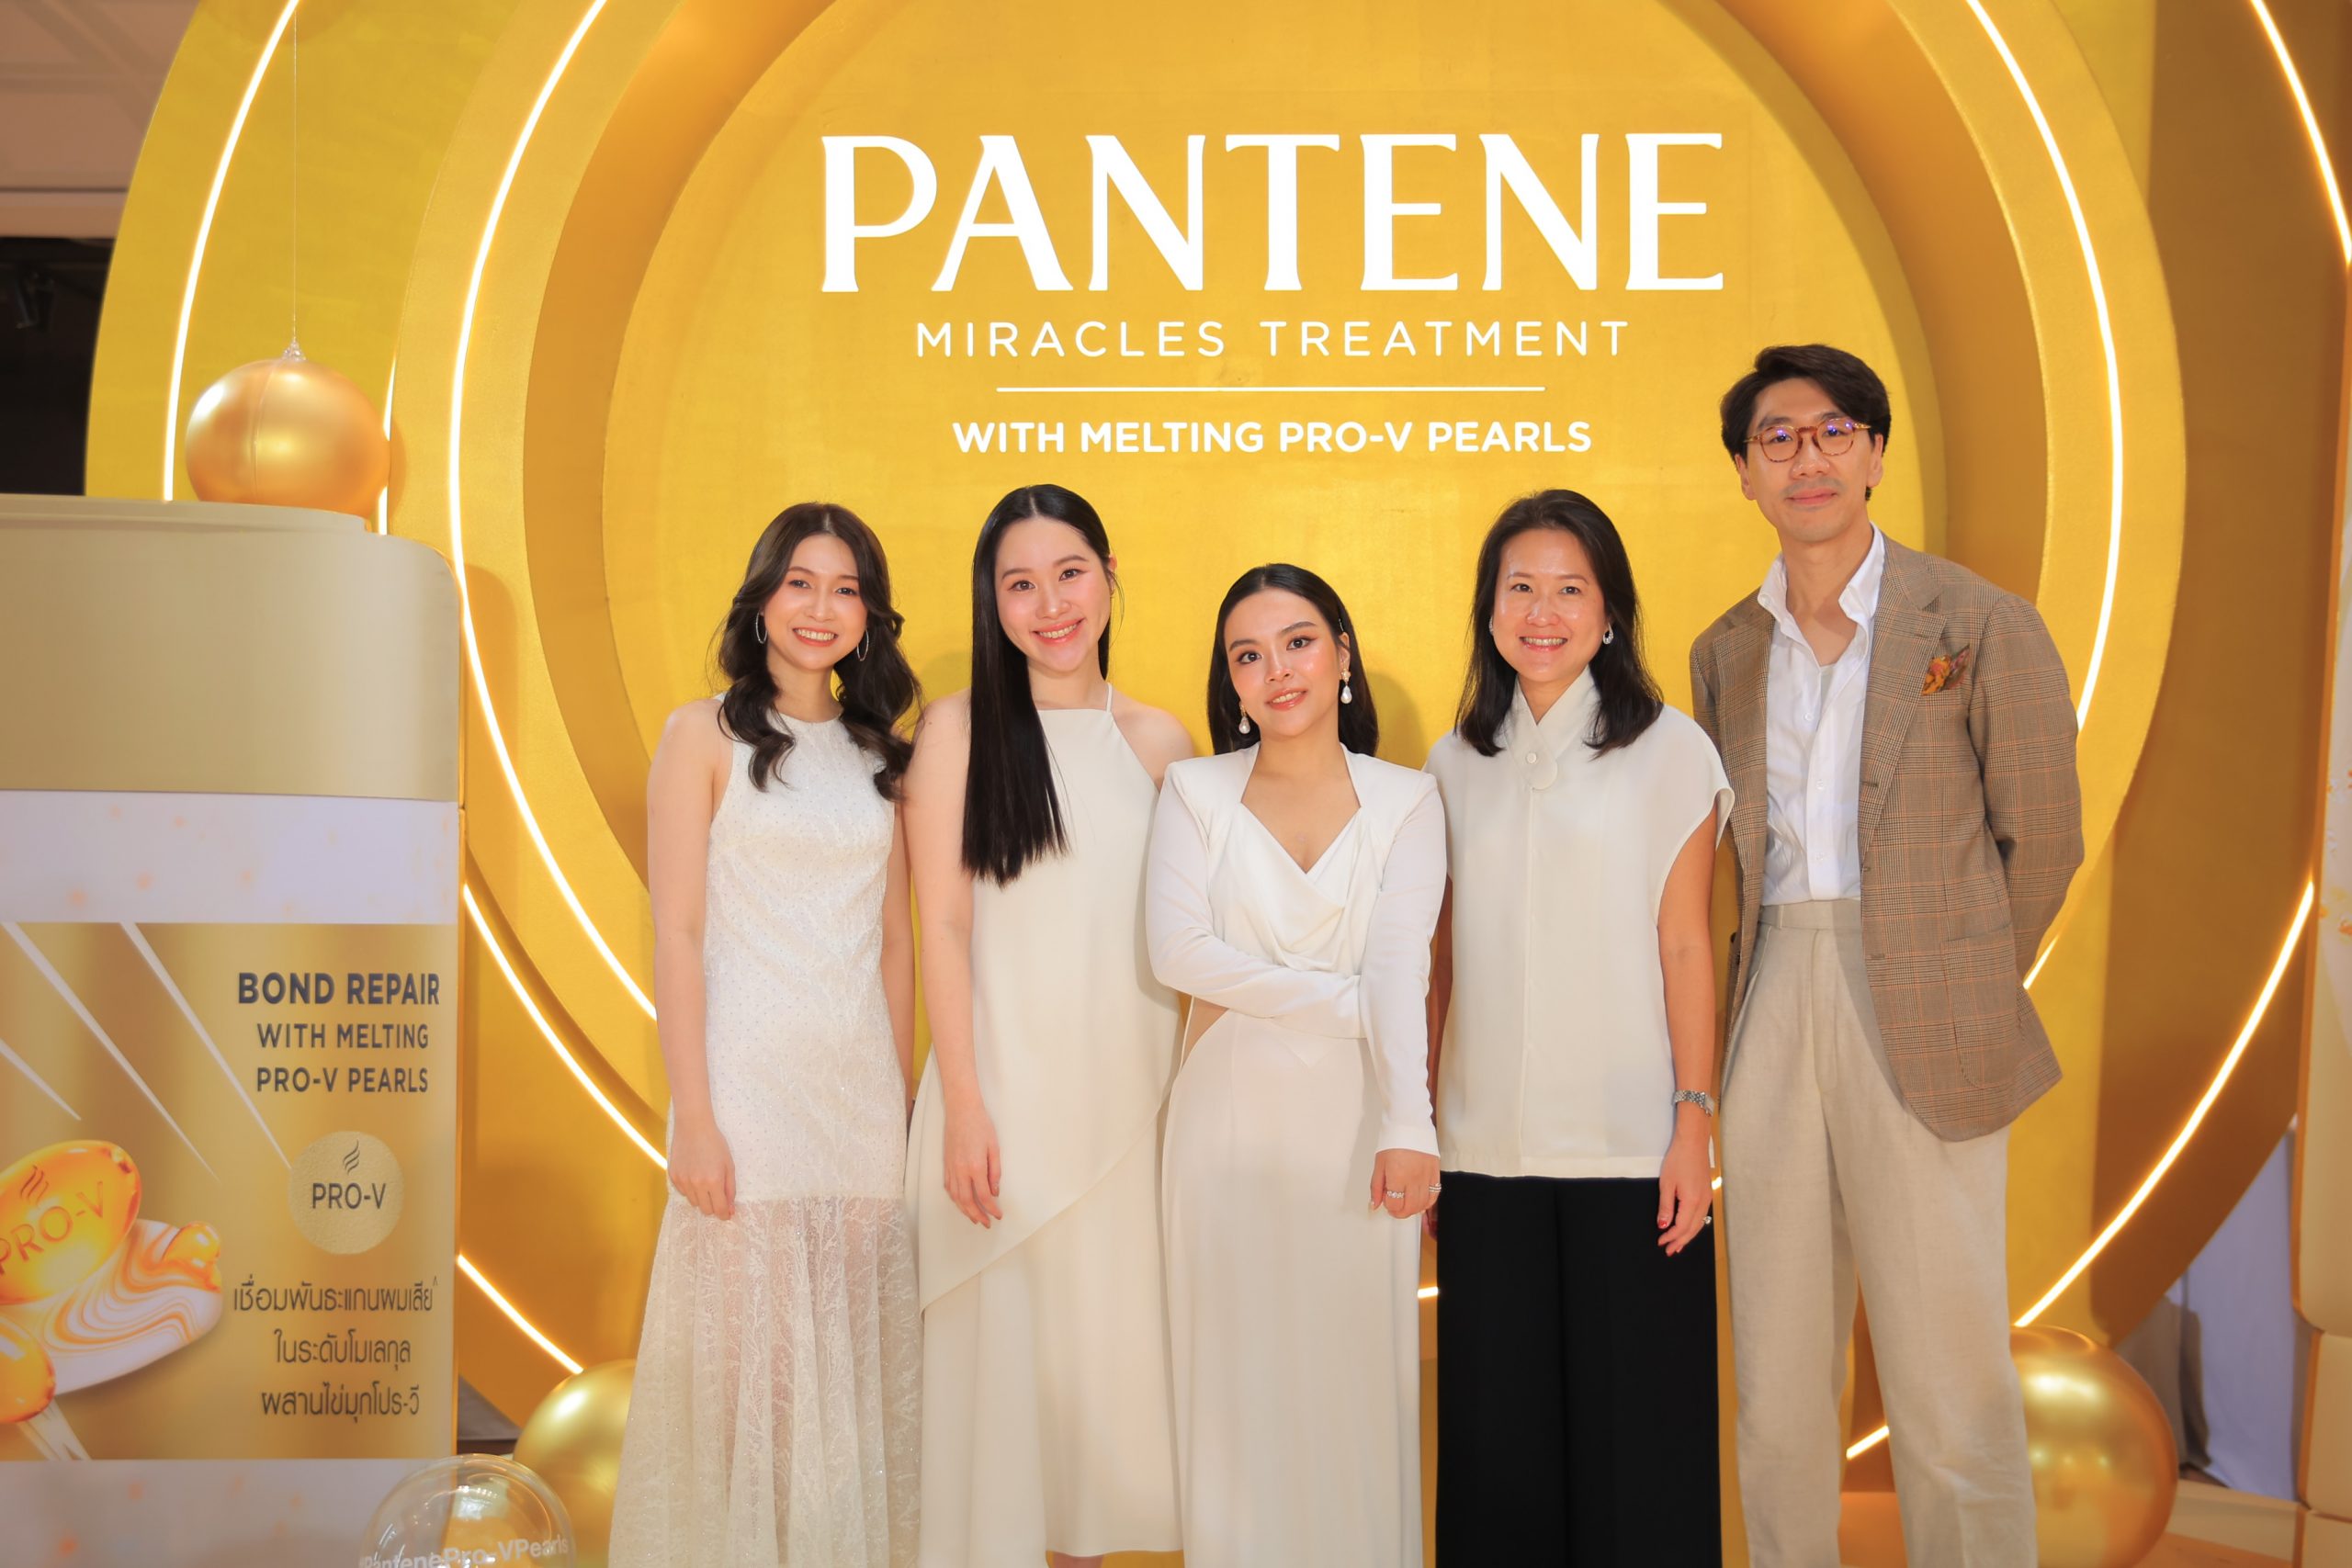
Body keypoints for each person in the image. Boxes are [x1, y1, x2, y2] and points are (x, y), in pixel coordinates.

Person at [1690, 344, 2083, 1565]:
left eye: (1831, 431)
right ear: (1744, 471)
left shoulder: (1978, 620)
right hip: (1770, 1001)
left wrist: (1958, 971)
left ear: (1872, 452)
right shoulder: (1724, 650)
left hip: (1927, 1005)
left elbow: (2044, 836)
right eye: (1776, 438)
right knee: (1776, 1378)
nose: (1804, 458)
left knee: (1948, 1373)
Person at [610, 502, 922, 1566]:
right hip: (745, 1093)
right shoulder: (700, 735)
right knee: (753, 1393)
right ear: (761, 598)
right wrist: (692, 1116)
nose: (820, 608)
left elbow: (895, 942)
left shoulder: (881, 754)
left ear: (870, 616)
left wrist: (901, 1098)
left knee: (852, 1388)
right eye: (800, 583)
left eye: (845, 590)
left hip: (859, 1102)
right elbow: (678, 933)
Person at [1424, 490, 1731, 1564]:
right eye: (1520, 588)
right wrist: (1424, 1126)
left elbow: (1686, 945)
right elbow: (1441, 963)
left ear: (1609, 614)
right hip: (1482, 1156)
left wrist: (1693, 1123)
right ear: (1489, 609)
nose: (1541, 612)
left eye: (1569, 589)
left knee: (1638, 1466)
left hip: (1630, 1152)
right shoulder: (1451, 763)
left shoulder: (1670, 751)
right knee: (1496, 1464)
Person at [902, 483, 1193, 1568]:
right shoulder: (955, 730)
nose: (1050, 605)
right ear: (993, 603)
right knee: (1003, 1421)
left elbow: (1186, 943)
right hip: (1002, 1111)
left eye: (1069, 574)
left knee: (1097, 1421)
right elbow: (941, 923)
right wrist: (964, 1106)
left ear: (1110, 577)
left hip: (1131, 1108)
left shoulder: (1160, 740)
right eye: (1019, 585)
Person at [1146, 563, 1446, 1568]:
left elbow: (1404, 963)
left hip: (1360, 1129)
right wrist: (1353, 1004)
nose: (1277, 669)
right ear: (1231, 680)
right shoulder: (1193, 790)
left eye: (1299, 641)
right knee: (1235, 1401)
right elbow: (1177, 954)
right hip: (1224, 1127)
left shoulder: (1411, 799)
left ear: (1342, 653)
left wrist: (1411, 1124)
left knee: (1354, 1389)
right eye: (1248, 654)